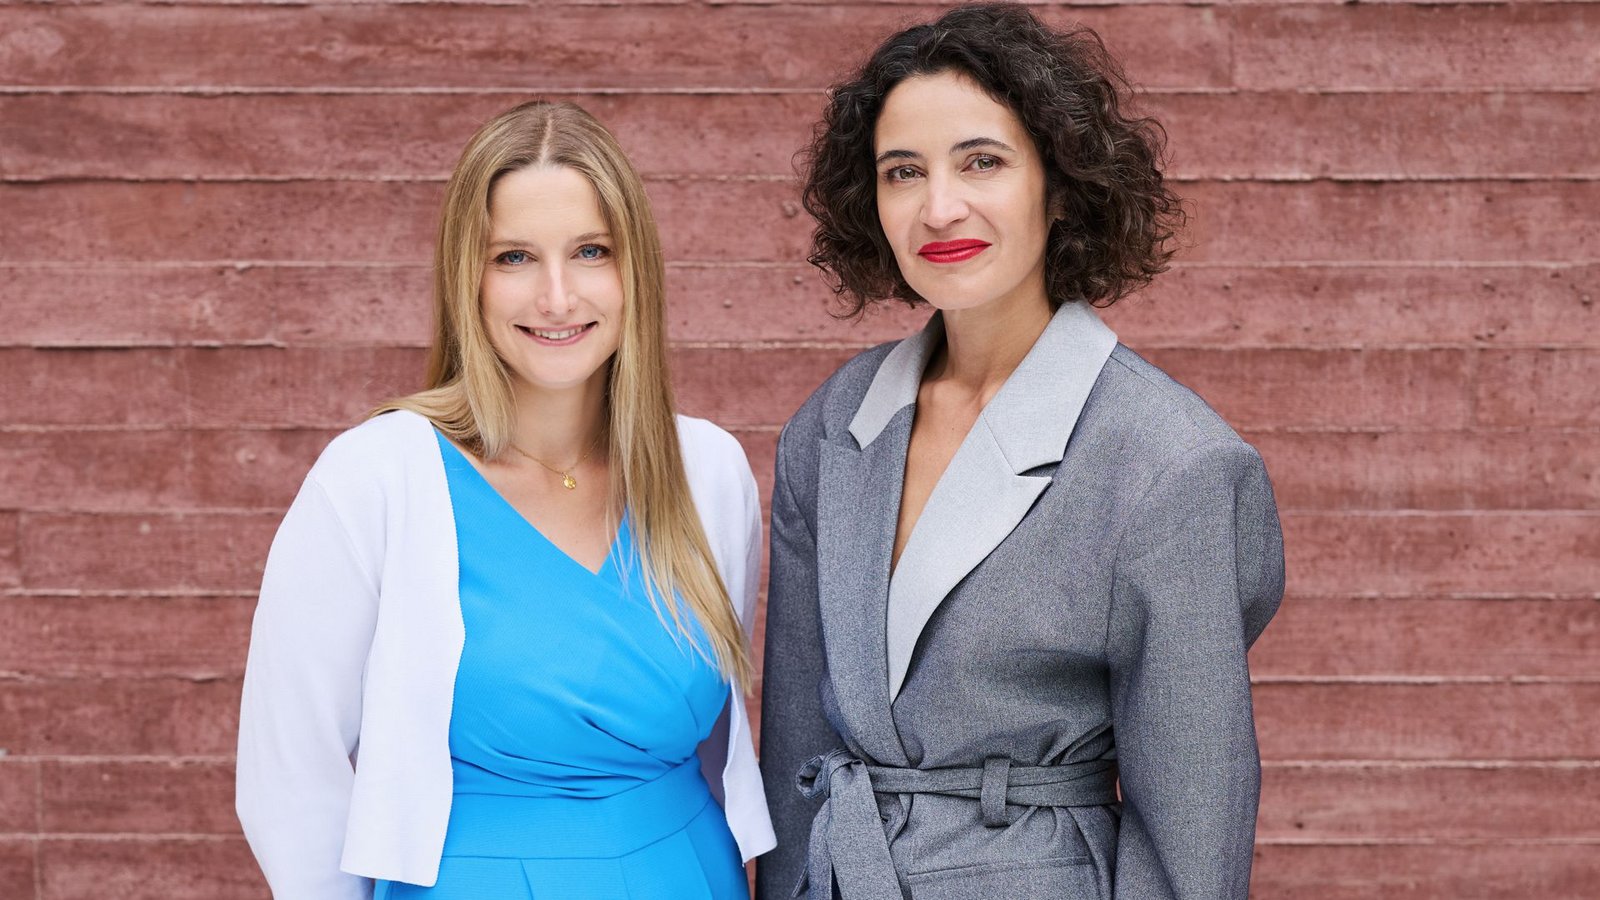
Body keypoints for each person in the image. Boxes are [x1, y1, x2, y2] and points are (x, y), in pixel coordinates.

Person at [756, 5, 1285, 899]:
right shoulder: (836, 422)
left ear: (1060, 181)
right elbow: (797, 748)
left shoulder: (1169, 463)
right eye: (902, 171)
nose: (939, 207)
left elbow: (1194, 840)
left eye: (982, 162)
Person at [236, 100, 775, 899]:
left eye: (591, 251)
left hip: (689, 875)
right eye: (515, 257)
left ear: (636, 273)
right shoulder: (376, 477)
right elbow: (290, 772)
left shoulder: (710, 472)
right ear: (469, 279)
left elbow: (719, 747)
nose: (557, 297)